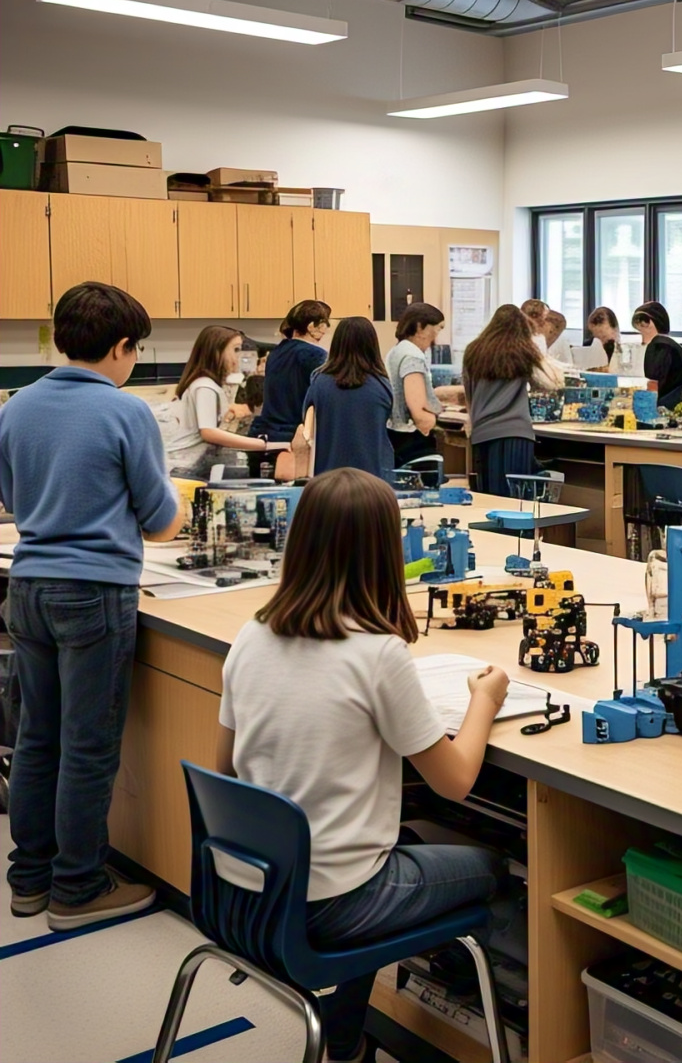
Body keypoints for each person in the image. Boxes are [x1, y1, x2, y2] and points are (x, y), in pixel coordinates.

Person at [216, 468, 509, 1063]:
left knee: (398, 839)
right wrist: (486, 699)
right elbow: (455, 782)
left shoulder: (251, 635)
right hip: (329, 905)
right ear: (383, 550)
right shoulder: (378, 654)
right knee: (496, 867)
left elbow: (226, 770)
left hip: (247, 892)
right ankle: (472, 1034)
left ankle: (345, 1042)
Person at [0, 283, 183, 929]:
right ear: (121, 347)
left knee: (34, 739)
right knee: (86, 746)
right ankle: (76, 887)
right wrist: (178, 506)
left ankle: (29, 878)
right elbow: (160, 521)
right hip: (95, 593)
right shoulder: (124, 411)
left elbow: (16, 501)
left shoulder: (17, 408)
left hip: (28, 588)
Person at [462, 304, 564, 495]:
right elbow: (552, 382)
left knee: (487, 496)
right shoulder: (524, 351)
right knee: (514, 497)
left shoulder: (473, 351)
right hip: (516, 433)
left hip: (482, 432)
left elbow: (469, 394)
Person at [166, 325, 288, 478]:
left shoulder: (207, 385)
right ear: (216, 353)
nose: (239, 357)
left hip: (187, 465)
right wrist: (262, 445)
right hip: (184, 467)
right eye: (236, 350)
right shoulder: (205, 386)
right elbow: (209, 432)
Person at [298, 317, 396, 484]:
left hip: (327, 479)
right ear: (373, 345)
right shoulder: (382, 384)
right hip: (374, 478)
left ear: (336, 344)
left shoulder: (319, 382)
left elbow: (306, 425)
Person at [256, 299, 331, 451]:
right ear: (311, 326)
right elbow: (324, 397)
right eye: (324, 324)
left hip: (270, 433)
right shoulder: (316, 355)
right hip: (297, 435)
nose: (325, 330)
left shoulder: (276, 352)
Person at [386, 302, 446, 468]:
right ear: (420, 327)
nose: (438, 336)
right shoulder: (413, 356)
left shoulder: (396, 351)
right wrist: (434, 420)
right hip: (413, 441)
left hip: (395, 435)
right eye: (438, 328)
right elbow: (418, 412)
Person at [631, 301, 682, 410]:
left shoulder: (659, 346)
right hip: (676, 406)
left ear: (647, 323)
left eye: (641, 331)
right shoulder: (672, 345)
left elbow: (654, 383)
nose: (641, 338)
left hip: (662, 408)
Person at [584, 306, 622, 370]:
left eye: (604, 336)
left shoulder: (621, 351)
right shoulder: (589, 347)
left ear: (615, 329)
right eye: (597, 337)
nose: (602, 342)